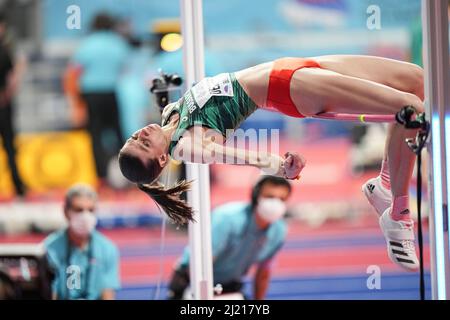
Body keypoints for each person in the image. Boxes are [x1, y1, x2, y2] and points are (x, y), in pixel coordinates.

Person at [118, 55, 425, 272]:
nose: (142, 133)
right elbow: (225, 155)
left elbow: (179, 108)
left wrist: (160, 92)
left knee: (417, 80)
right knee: (412, 108)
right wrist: (277, 165)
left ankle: (384, 185)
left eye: (134, 136)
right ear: (162, 158)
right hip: (289, 88)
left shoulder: (170, 116)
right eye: (143, 143)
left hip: (290, 66)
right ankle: (398, 214)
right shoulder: (187, 147)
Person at [167, 176, 291, 300]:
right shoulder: (227, 218)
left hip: (229, 285)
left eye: (282, 199)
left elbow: (263, 272)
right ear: (256, 196)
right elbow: (200, 262)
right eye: (270, 196)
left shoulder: (279, 231)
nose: (276, 203)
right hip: (191, 279)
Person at [68, 13, 130, 184]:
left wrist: (75, 101)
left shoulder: (88, 44)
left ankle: (101, 177)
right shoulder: (117, 43)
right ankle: (126, 173)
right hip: (110, 92)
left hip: (91, 95)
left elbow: (73, 71)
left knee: (95, 136)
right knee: (118, 134)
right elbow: (124, 67)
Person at [44, 184, 120, 300]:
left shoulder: (108, 249)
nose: (85, 216)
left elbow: (108, 294)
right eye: (78, 210)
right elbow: (50, 294)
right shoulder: (49, 248)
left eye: (90, 210)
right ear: (66, 212)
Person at [0, 13, 26, 197]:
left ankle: (18, 186)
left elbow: (12, 78)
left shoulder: (5, 49)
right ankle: (19, 187)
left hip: (4, 104)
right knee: (9, 145)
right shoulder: (4, 49)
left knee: (10, 145)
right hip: (3, 103)